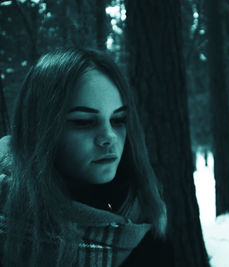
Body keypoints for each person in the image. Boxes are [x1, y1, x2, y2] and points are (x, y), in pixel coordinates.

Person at [0, 48, 173, 266]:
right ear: (39, 130)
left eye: (118, 119)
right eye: (83, 121)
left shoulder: (143, 215)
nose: (108, 137)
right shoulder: (10, 226)